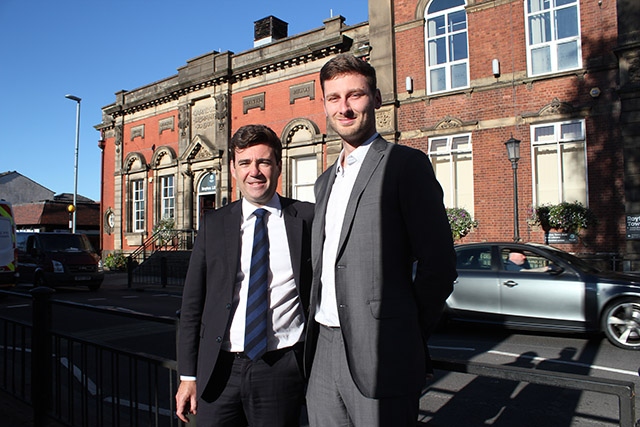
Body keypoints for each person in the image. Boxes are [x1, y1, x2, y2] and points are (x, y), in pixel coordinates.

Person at [304, 53, 458, 426]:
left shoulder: (405, 164)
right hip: (322, 348)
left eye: (354, 95)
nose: (344, 108)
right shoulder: (324, 181)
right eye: (334, 98)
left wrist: (404, 331)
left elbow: (439, 266)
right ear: (324, 104)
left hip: (382, 350)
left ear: (375, 98)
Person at [175, 124, 314, 427]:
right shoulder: (214, 224)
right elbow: (192, 306)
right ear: (233, 169)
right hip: (220, 369)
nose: (255, 171)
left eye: (264, 162)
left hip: (280, 367)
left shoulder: (307, 218)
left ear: (278, 165)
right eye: (245, 163)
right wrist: (187, 375)